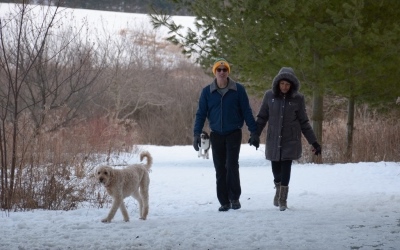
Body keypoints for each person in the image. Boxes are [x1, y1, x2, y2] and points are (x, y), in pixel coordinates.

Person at [193, 58, 260, 212]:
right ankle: (224, 201)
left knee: (231, 165)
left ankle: (234, 198)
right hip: (216, 134)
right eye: (219, 70)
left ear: (228, 72)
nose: (222, 72)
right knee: (220, 168)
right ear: (215, 72)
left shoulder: (238, 90)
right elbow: (201, 114)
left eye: (224, 70)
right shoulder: (207, 92)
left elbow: (246, 111)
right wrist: (196, 134)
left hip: (233, 133)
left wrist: (254, 132)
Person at [254, 67, 321, 211]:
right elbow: (262, 117)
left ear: (292, 85)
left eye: (287, 84)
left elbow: (304, 122)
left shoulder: (298, 99)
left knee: (286, 167)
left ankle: (283, 199)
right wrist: (255, 134)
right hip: (273, 139)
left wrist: (314, 141)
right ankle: (278, 189)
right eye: (282, 83)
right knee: (276, 169)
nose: (284, 87)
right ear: (278, 83)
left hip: (290, 139)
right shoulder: (269, 96)